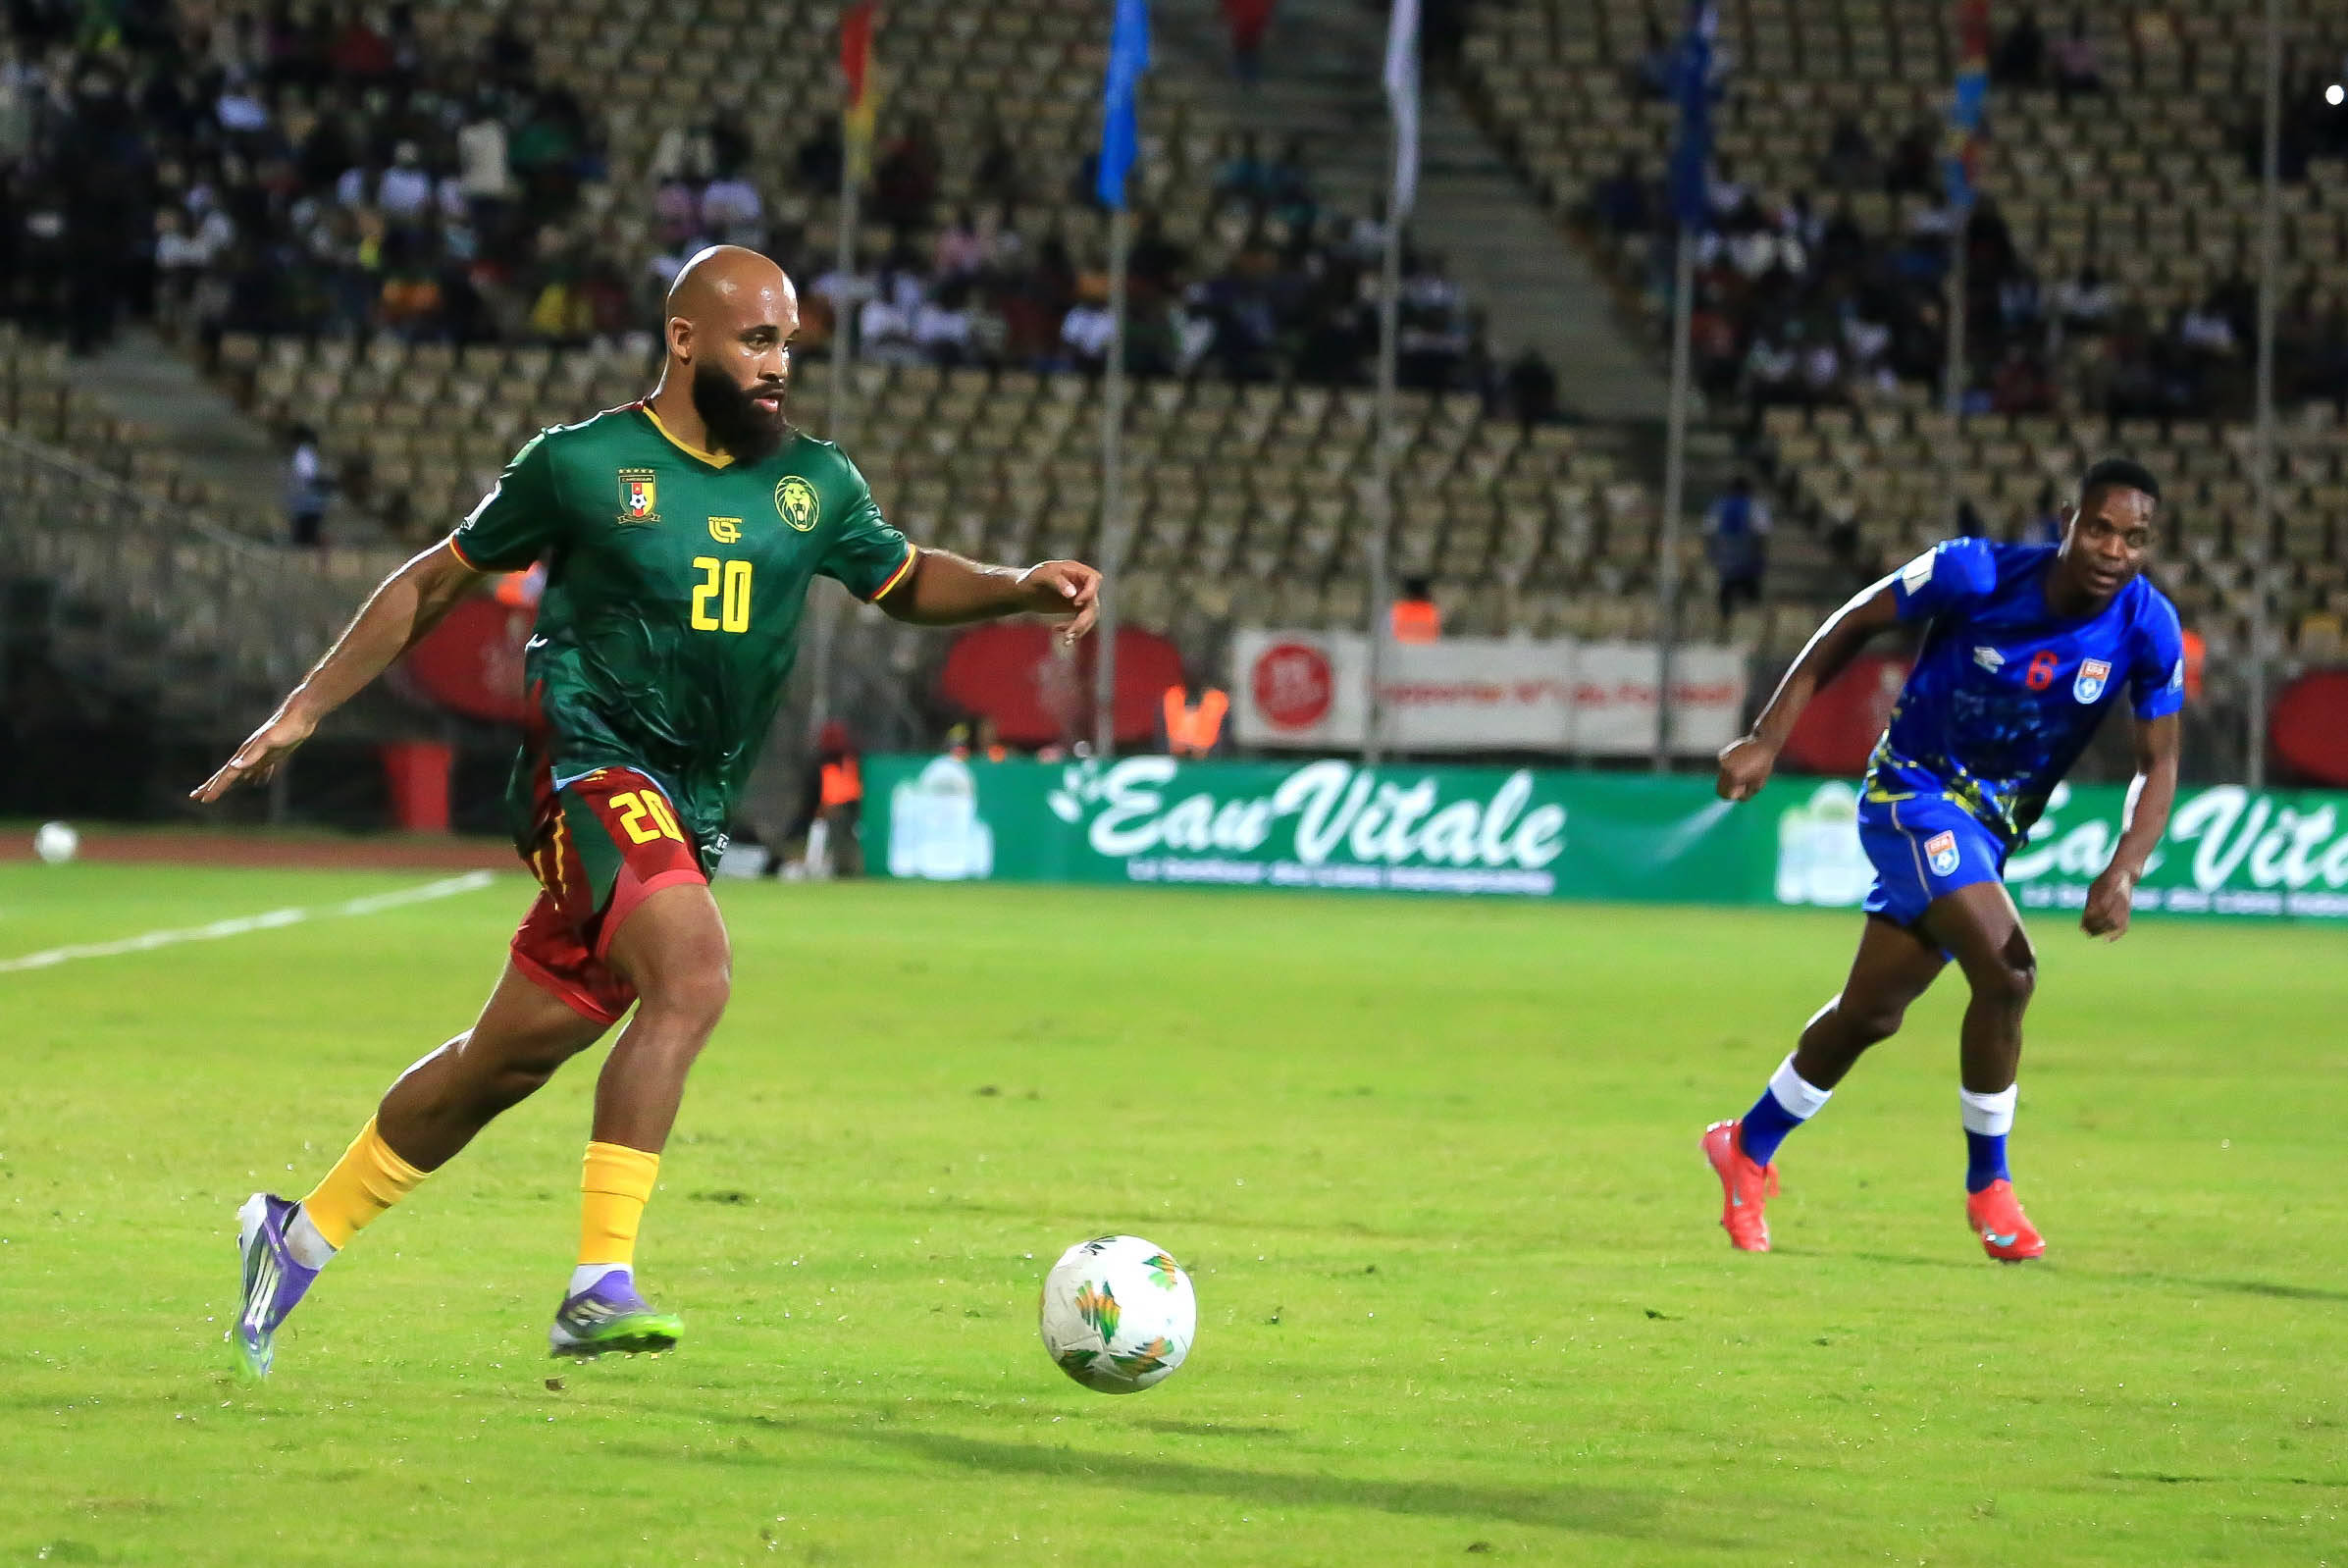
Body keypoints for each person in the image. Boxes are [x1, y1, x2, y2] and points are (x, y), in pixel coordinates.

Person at [196, 245, 1102, 1375]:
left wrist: (1016, 586)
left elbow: (903, 577)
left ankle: (296, 1233)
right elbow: (435, 578)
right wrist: (303, 708)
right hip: (587, 767)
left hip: (691, 801)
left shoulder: (814, 483)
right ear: (684, 340)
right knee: (694, 975)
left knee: (503, 1059)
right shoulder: (584, 464)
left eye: (787, 345)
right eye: (756, 341)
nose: (778, 366)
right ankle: (596, 1283)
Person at [1701, 458, 2183, 1262]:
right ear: (2066, 519)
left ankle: (1745, 1145)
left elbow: (2156, 762)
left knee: (1869, 1014)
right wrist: (1767, 737)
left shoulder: (2146, 626)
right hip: (1911, 793)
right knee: (2010, 972)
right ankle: (1988, 1185)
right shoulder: (1973, 571)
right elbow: (1851, 622)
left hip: (1989, 830)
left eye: (2133, 539)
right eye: (2097, 527)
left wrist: (2125, 866)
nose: (2111, 550)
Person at [1704, 474, 1771, 619]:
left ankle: (1726, 620)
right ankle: (1748, 622)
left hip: (1726, 560)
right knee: (1750, 598)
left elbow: (1709, 532)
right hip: (1747, 560)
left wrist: (1713, 554)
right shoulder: (1754, 506)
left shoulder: (1719, 507)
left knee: (1727, 593)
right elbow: (1762, 533)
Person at [284, 422, 330, 547]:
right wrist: (328, 485)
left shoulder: (303, 454)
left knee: (305, 544)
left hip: (305, 505)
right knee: (305, 545)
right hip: (307, 506)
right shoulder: (303, 454)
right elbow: (307, 478)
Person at [1390, 577, 1440, 643]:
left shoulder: (1400, 608)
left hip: (1403, 648)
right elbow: (1436, 635)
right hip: (1427, 649)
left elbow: (1392, 633)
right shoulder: (1431, 610)